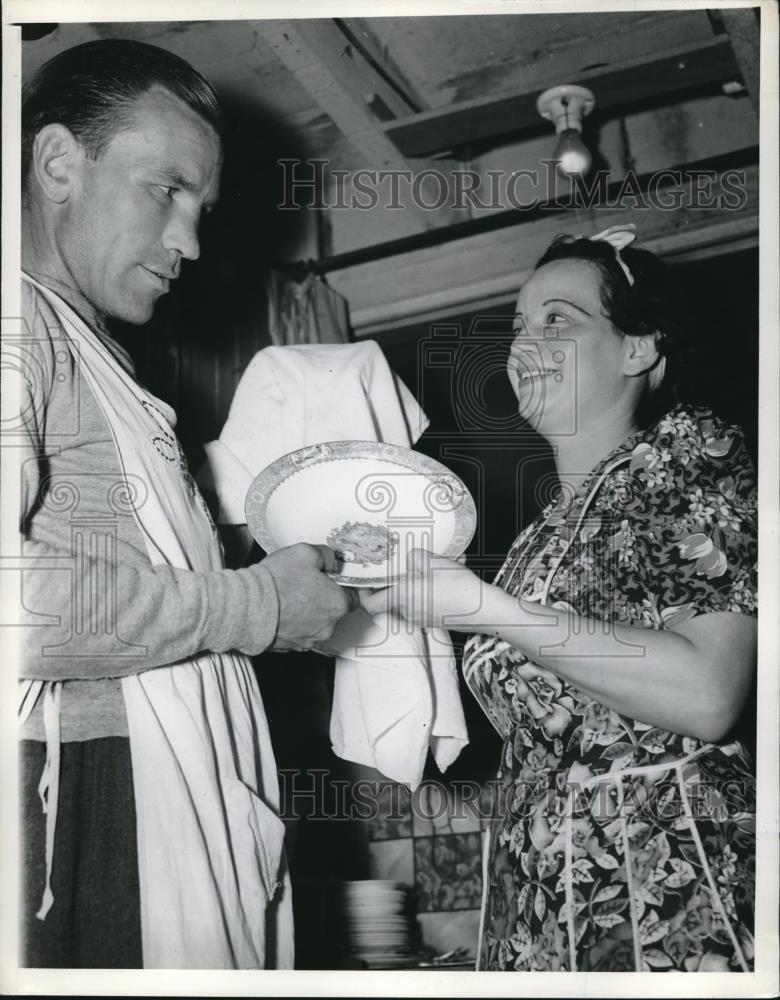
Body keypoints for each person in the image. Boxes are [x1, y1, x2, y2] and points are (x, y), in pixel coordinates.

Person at [16, 39, 353, 969]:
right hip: (82, 800)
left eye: (200, 208)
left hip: (136, 788)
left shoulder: (101, 361)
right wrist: (258, 605)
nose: (190, 241)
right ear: (56, 164)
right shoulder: (17, 327)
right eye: (164, 190)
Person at [362, 226, 757, 972]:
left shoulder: (689, 453)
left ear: (639, 349)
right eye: (517, 325)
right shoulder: (531, 545)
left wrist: (481, 608)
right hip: (536, 917)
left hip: (668, 902)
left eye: (559, 321)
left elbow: (709, 692)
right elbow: (550, 753)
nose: (523, 344)